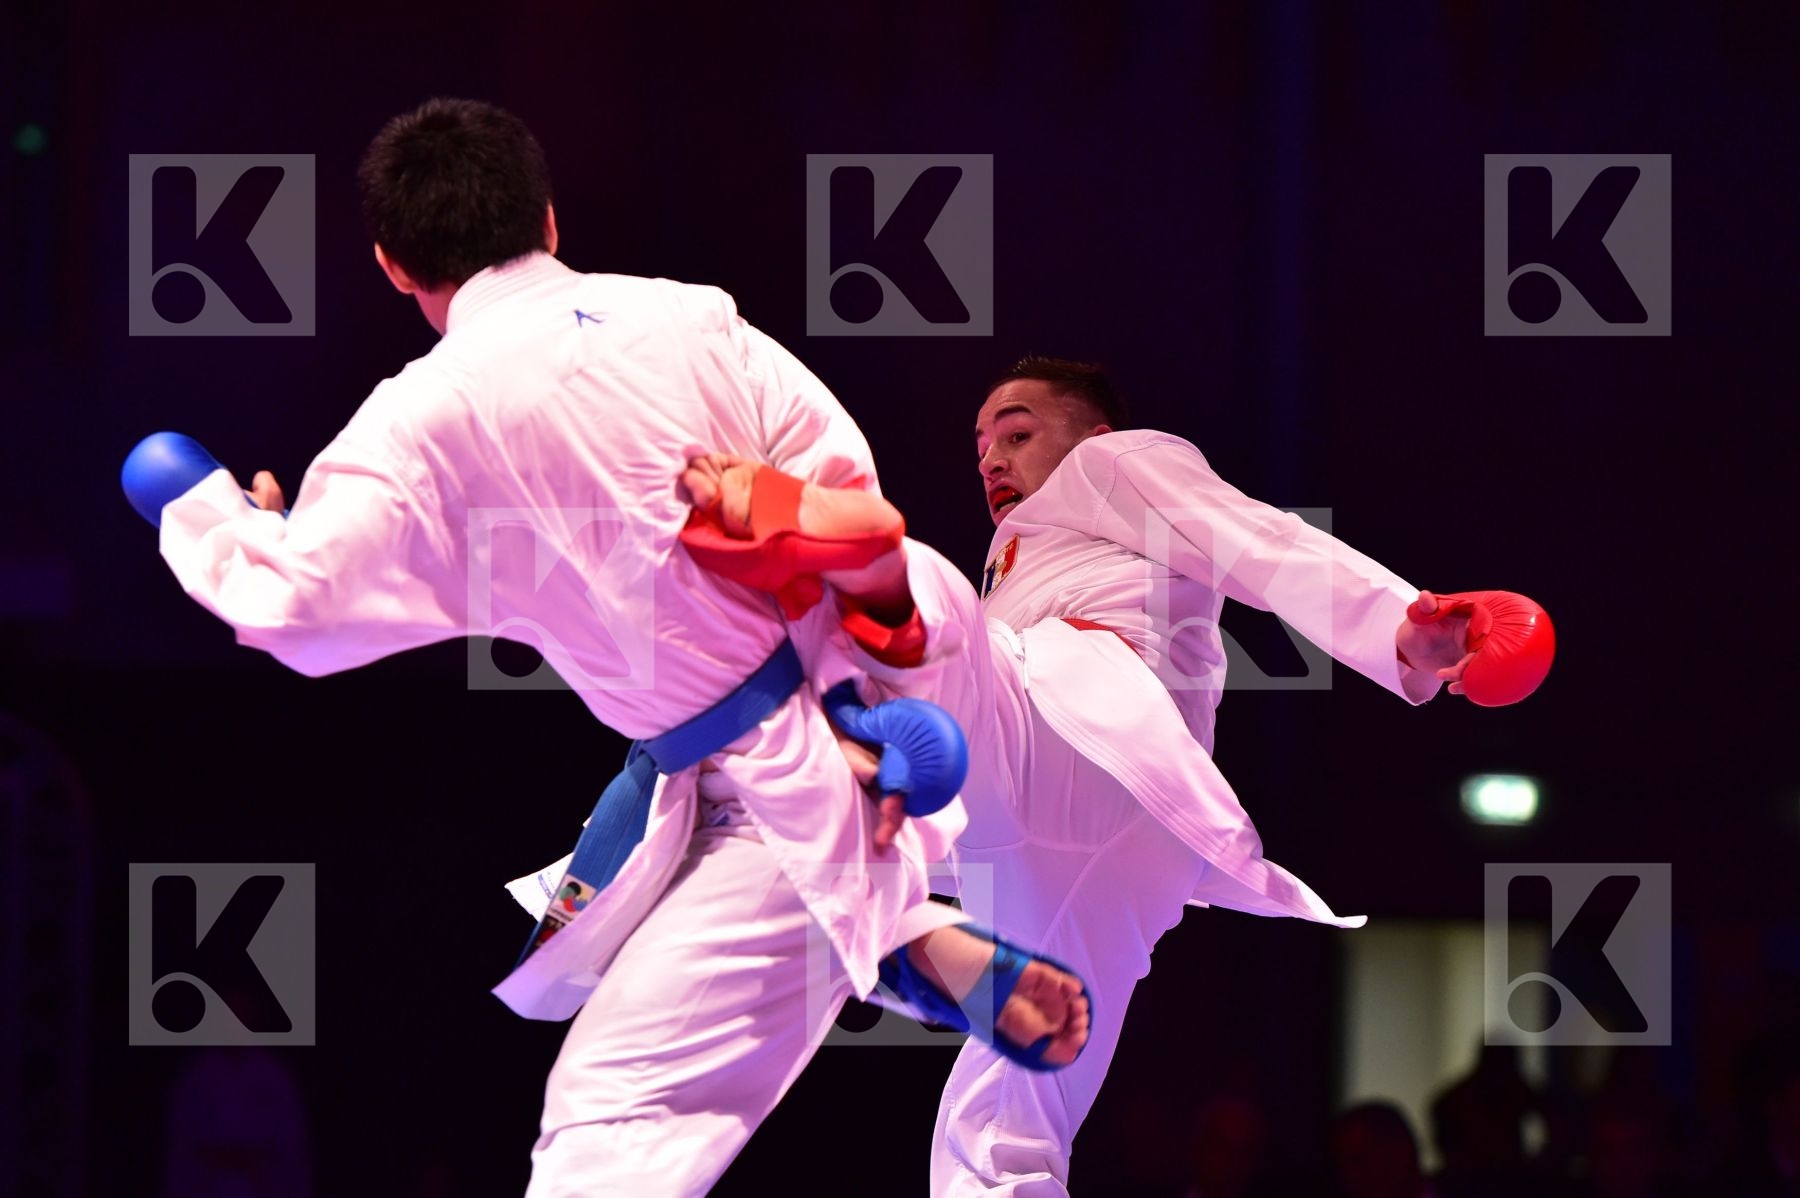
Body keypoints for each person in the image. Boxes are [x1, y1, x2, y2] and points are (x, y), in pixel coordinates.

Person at [133, 99, 1088, 1196]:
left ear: (395, 266)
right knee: (838, 795)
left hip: (777, 768)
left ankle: (892, 916)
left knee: (616, 1116)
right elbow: (842, 490)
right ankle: (902, 926)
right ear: (547, 212)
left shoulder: (422, 418)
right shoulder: (691, 316)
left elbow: (295, 612)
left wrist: (214, 514)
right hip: (912, 647)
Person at [682, 355, 1551, 1195]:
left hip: (1082, 731)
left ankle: (705, 803)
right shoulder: (1023, 557)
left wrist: (1400, 625)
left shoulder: (1114, 463)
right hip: (1123, 847)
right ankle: (715, 852)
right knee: (1009, 1122)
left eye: (1017, 433)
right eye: (980, 444)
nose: (992, 456)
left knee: (902, 632)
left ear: (1090, 431)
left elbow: (1259, 539)